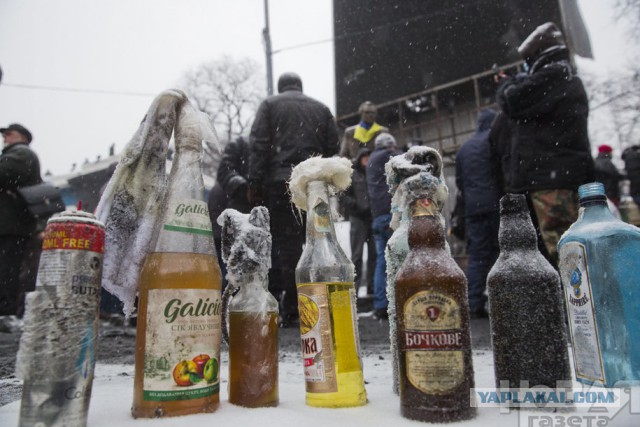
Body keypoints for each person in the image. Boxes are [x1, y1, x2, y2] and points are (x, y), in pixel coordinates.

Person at [495, 22, 595, 267]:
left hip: (552, 182)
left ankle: (577, 305)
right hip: (555, 179)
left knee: (566, 255)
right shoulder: (561, 76)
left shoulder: (554, 76)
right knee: (564, 252)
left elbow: (512, 100)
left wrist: (505, 83)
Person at [248, 72, 340, 327]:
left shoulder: (270, 105)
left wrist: (255, 182)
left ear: (281, 87)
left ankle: (291, 307)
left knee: (287, 247)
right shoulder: (321, 109)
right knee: (319, 242)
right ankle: (320, 301)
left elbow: (259, 144)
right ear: (300, 86)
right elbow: (333, 147)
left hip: (282, 184)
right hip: (313, 185)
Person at [455, 109, 501, 318]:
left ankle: (474, 302)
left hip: (473, 209)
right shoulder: (494, 140)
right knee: (503, 251)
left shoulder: (464, 148)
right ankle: (502, 300)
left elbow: (459, 182)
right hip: (497, 205)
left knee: (477, 256)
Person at [0, 123, 42, 317]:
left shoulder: (22, 154)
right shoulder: (16, 154)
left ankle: (6, 311)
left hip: (12, 227)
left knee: (8, 269)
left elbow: (6, 174)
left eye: (10, 134)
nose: (5, 137)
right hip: (10, 225)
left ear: (23, 137)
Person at [367, 132, 399, 320]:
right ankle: (397, 301)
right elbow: (407, 160)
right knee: (399, 258)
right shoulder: (386, 157)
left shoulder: (372, 158)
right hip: (390, 215)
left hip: (378, 216)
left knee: (382, 260)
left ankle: (381, 304)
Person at [340, 148, 376, 296]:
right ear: (360, 159)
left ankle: (371, 288)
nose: (367, 162)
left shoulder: (374, 174)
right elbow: (342, 195)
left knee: (374, 255)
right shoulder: (352, 175)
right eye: (365, 159)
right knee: (357, 255)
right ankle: (354, 288)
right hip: (357, 219)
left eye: (369, 159)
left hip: (372, 219)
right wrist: (355, 206)